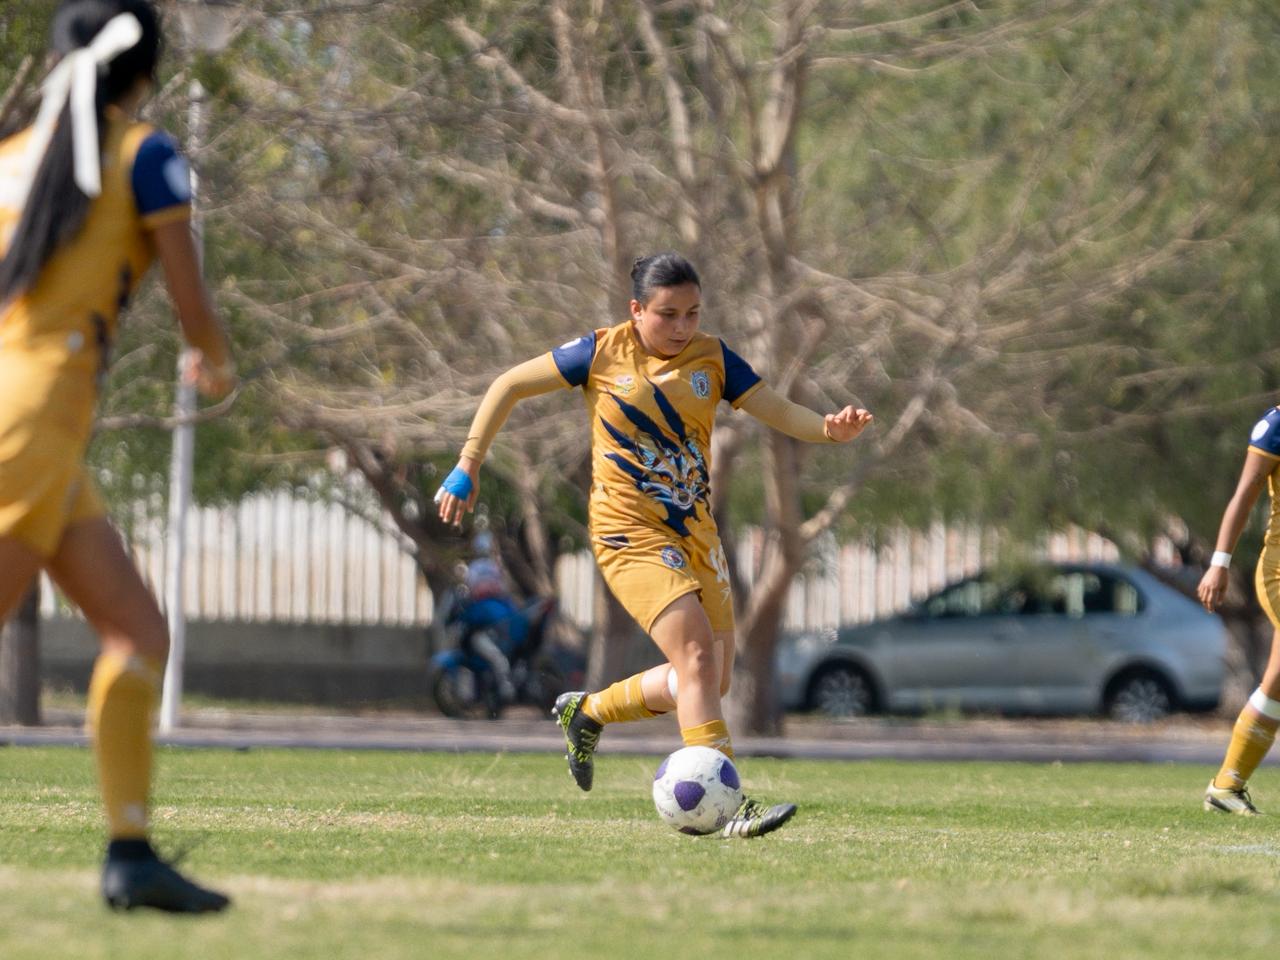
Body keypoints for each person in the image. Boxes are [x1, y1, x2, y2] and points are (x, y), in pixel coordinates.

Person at [435, 252, 873, 838]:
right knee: (695, 658)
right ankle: (729, 808)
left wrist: (827, 428)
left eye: (693, 313)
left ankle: (589, 711)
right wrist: (468, 464)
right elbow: (508, 384)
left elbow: (774, 407)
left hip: (696, 533)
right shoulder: (598, 352)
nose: (682, 326)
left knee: (710, 679)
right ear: (636, 310)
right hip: (628, 533)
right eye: (668, 314)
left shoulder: (713, 358)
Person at [0, 1, 234, 910]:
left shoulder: (13, 155)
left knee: (138, 631)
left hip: (35, 423)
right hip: (34, 419)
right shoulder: (145, 155)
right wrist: (215, 361)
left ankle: (130, 855)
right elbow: (192, 301)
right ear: (144, 72)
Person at [1198, 405, 1280, 815]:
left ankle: (1226, 788)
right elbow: (1244, 495)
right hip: (1279, 571)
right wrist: (1219, 563)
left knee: (1277, 683)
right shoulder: (1276, 425)